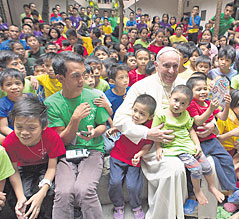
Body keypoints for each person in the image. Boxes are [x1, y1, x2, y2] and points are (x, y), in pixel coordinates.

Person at [113, 47, 219, 219]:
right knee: (174, 169)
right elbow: (119, 120)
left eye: (175, 66)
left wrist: (212, 124)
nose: (171, 71)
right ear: (156, 65)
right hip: (155, 148)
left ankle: (201, 214)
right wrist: (149, 134)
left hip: (184, 144)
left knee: (212, 165)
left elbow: (201, 109)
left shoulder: (183, 86)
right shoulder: (141, 86)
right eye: (166, 66)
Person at [44, 51, 109, 219]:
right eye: (75, 76)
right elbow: (61, 141)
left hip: (93, 150)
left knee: (85, 190)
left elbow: (103, 125)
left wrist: (94, 132)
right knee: (64, 192)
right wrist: (74, 119)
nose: (82, 80)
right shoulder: (51, 104)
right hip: (65, 153)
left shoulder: (94, 96)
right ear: (60, 78)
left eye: (83, 75)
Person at [185, 75, 239, 211]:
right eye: (198, 89)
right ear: (190, 92)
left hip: (212, 140)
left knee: (226, 159)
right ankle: (192, 197)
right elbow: (197, 121)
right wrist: (211, 108)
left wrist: (226, 105)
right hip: (198, 142)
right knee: (199, 168)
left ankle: (232, 192)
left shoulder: (209, 102)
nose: (203, 92)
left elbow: (222, 116)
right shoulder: (191, 104)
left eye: (205, 88)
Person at [153, 85, 225, 205]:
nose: (178, 105)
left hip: (188, 145)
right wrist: (159, 148)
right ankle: (197, 191)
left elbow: (191, 130)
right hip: (175, 148)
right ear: (170, 97)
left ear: (187, 105)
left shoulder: (185, 114)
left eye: (183, 103)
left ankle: (212, 187)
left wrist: (197, 145)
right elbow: (155, 133)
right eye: (176, 100)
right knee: (196, 169)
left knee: (207, 166)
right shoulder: (161, 114)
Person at [2, 95, 66, 219]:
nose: (24, 133)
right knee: (24, 197)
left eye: (31, 128)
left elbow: (52, 168)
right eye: (19, 127)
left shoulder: (51, 137)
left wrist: (42, 192)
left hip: (44, 166)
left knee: (49, 193)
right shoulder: (9, 142)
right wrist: (21, 197)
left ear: (43, 126)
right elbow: (13, 171)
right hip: (23, 168)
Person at [108, 94, 156, 219]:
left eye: (142, 113)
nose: (136, 115)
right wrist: (114, 130)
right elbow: (122, 128)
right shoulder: (128, 119)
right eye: (135, 110)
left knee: (133, 185)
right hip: (117, 156)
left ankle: (136, 206)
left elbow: (148, 145)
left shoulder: (149, 127)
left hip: (133, 160)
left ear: (150, 116)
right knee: (115, 182)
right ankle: (118, 206)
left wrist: (140, 154)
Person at [0, 68, 31, 136]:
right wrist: (19, 137)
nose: (14, 87)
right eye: (8, 84)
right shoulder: (2, 104)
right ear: (2, 88)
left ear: (23, 85)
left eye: (18, 83)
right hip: (14, 135)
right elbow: (3, 127)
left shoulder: (33, 99)